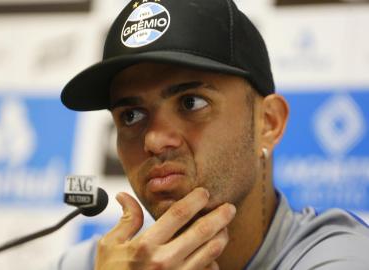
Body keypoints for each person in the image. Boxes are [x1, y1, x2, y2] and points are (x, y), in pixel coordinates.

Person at [58, 0, 369, 269]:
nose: (153, 141)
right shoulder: (95, 264)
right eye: (130, 116)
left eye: (191, 102)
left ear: (268, 123)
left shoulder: (342, 257)